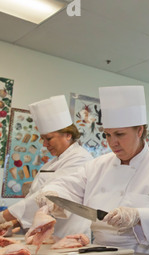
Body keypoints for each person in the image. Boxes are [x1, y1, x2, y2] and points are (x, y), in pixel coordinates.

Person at [37, 86, 149, 255]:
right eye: (107, 135)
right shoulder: (97, 166)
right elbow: (68, 186)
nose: (112, 142)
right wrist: (53, 193)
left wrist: (139, 215)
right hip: (99, 253)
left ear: (139, 130)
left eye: (119, 134)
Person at [0, 95, 92, 238]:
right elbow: (37, 199)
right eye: (43, 139)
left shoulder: (80, 159)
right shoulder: (54, 161)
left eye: (48, 138)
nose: (44, 144)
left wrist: (4, 216)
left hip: (67, 236)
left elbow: (47, 197)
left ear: (68, 135)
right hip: (46, 234)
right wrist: (15, 223)